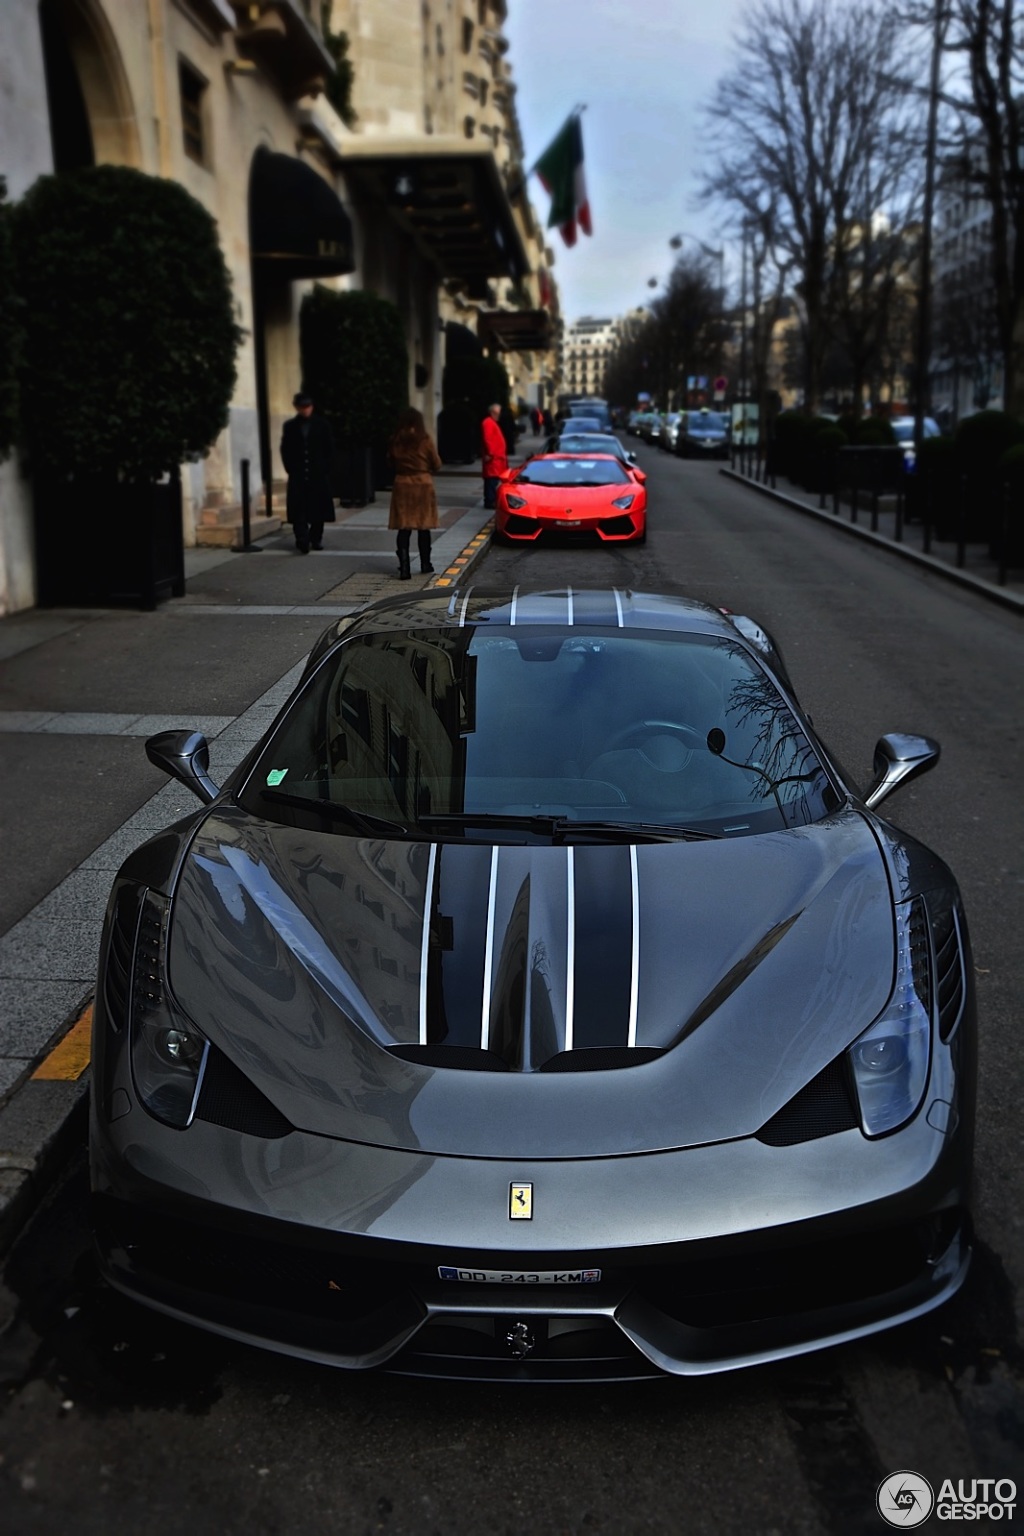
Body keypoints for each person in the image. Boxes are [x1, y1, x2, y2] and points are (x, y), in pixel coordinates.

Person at [387, 407, 441, 580]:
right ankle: (425, 563)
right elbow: (437, 464)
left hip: (402, 484)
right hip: (422, 485)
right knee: (423, 526)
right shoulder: (425, 440)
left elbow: (389, 461)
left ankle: (404, 568)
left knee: (404, 528)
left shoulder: (396, 440)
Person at [280, 392, 335, 553]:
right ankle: (302, 538)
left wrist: (325, 468)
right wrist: (290, 468)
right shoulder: (290, 426)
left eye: (308, 407)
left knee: (318, 509)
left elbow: (329, 449)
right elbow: (286, 449)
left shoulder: (322, 425)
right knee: (299, 509)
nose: (305, 410)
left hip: (317, 474)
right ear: (297, 408)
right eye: (302, 407)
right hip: (298, 474)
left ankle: (316, 538)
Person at [480, 402, 508, 510]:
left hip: (496, 458)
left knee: (492, 480)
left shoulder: (490, 422)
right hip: (494, 459)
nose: (498, 415)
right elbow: (488, 439)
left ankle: (490, 500)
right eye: (496, 413)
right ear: (492, 412)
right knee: (491, 481)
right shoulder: (488, 423)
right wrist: (491, 453)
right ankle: (490, 501)